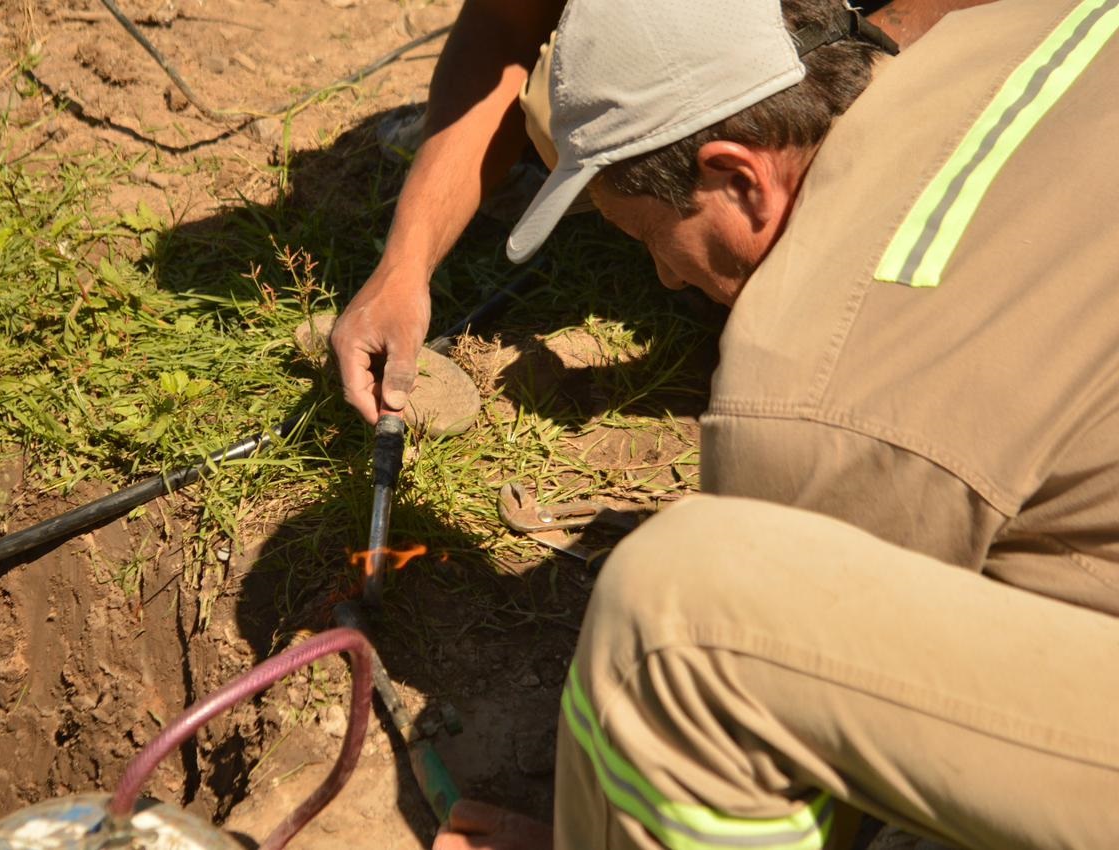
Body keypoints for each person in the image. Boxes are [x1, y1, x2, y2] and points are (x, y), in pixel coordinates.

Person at [337, 0, 1119, 848]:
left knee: (676, 628)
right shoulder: (1018, 28)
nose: (665, 280)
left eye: (647, 235)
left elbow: (807, 749)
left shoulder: (800, 396)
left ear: (739, 176)